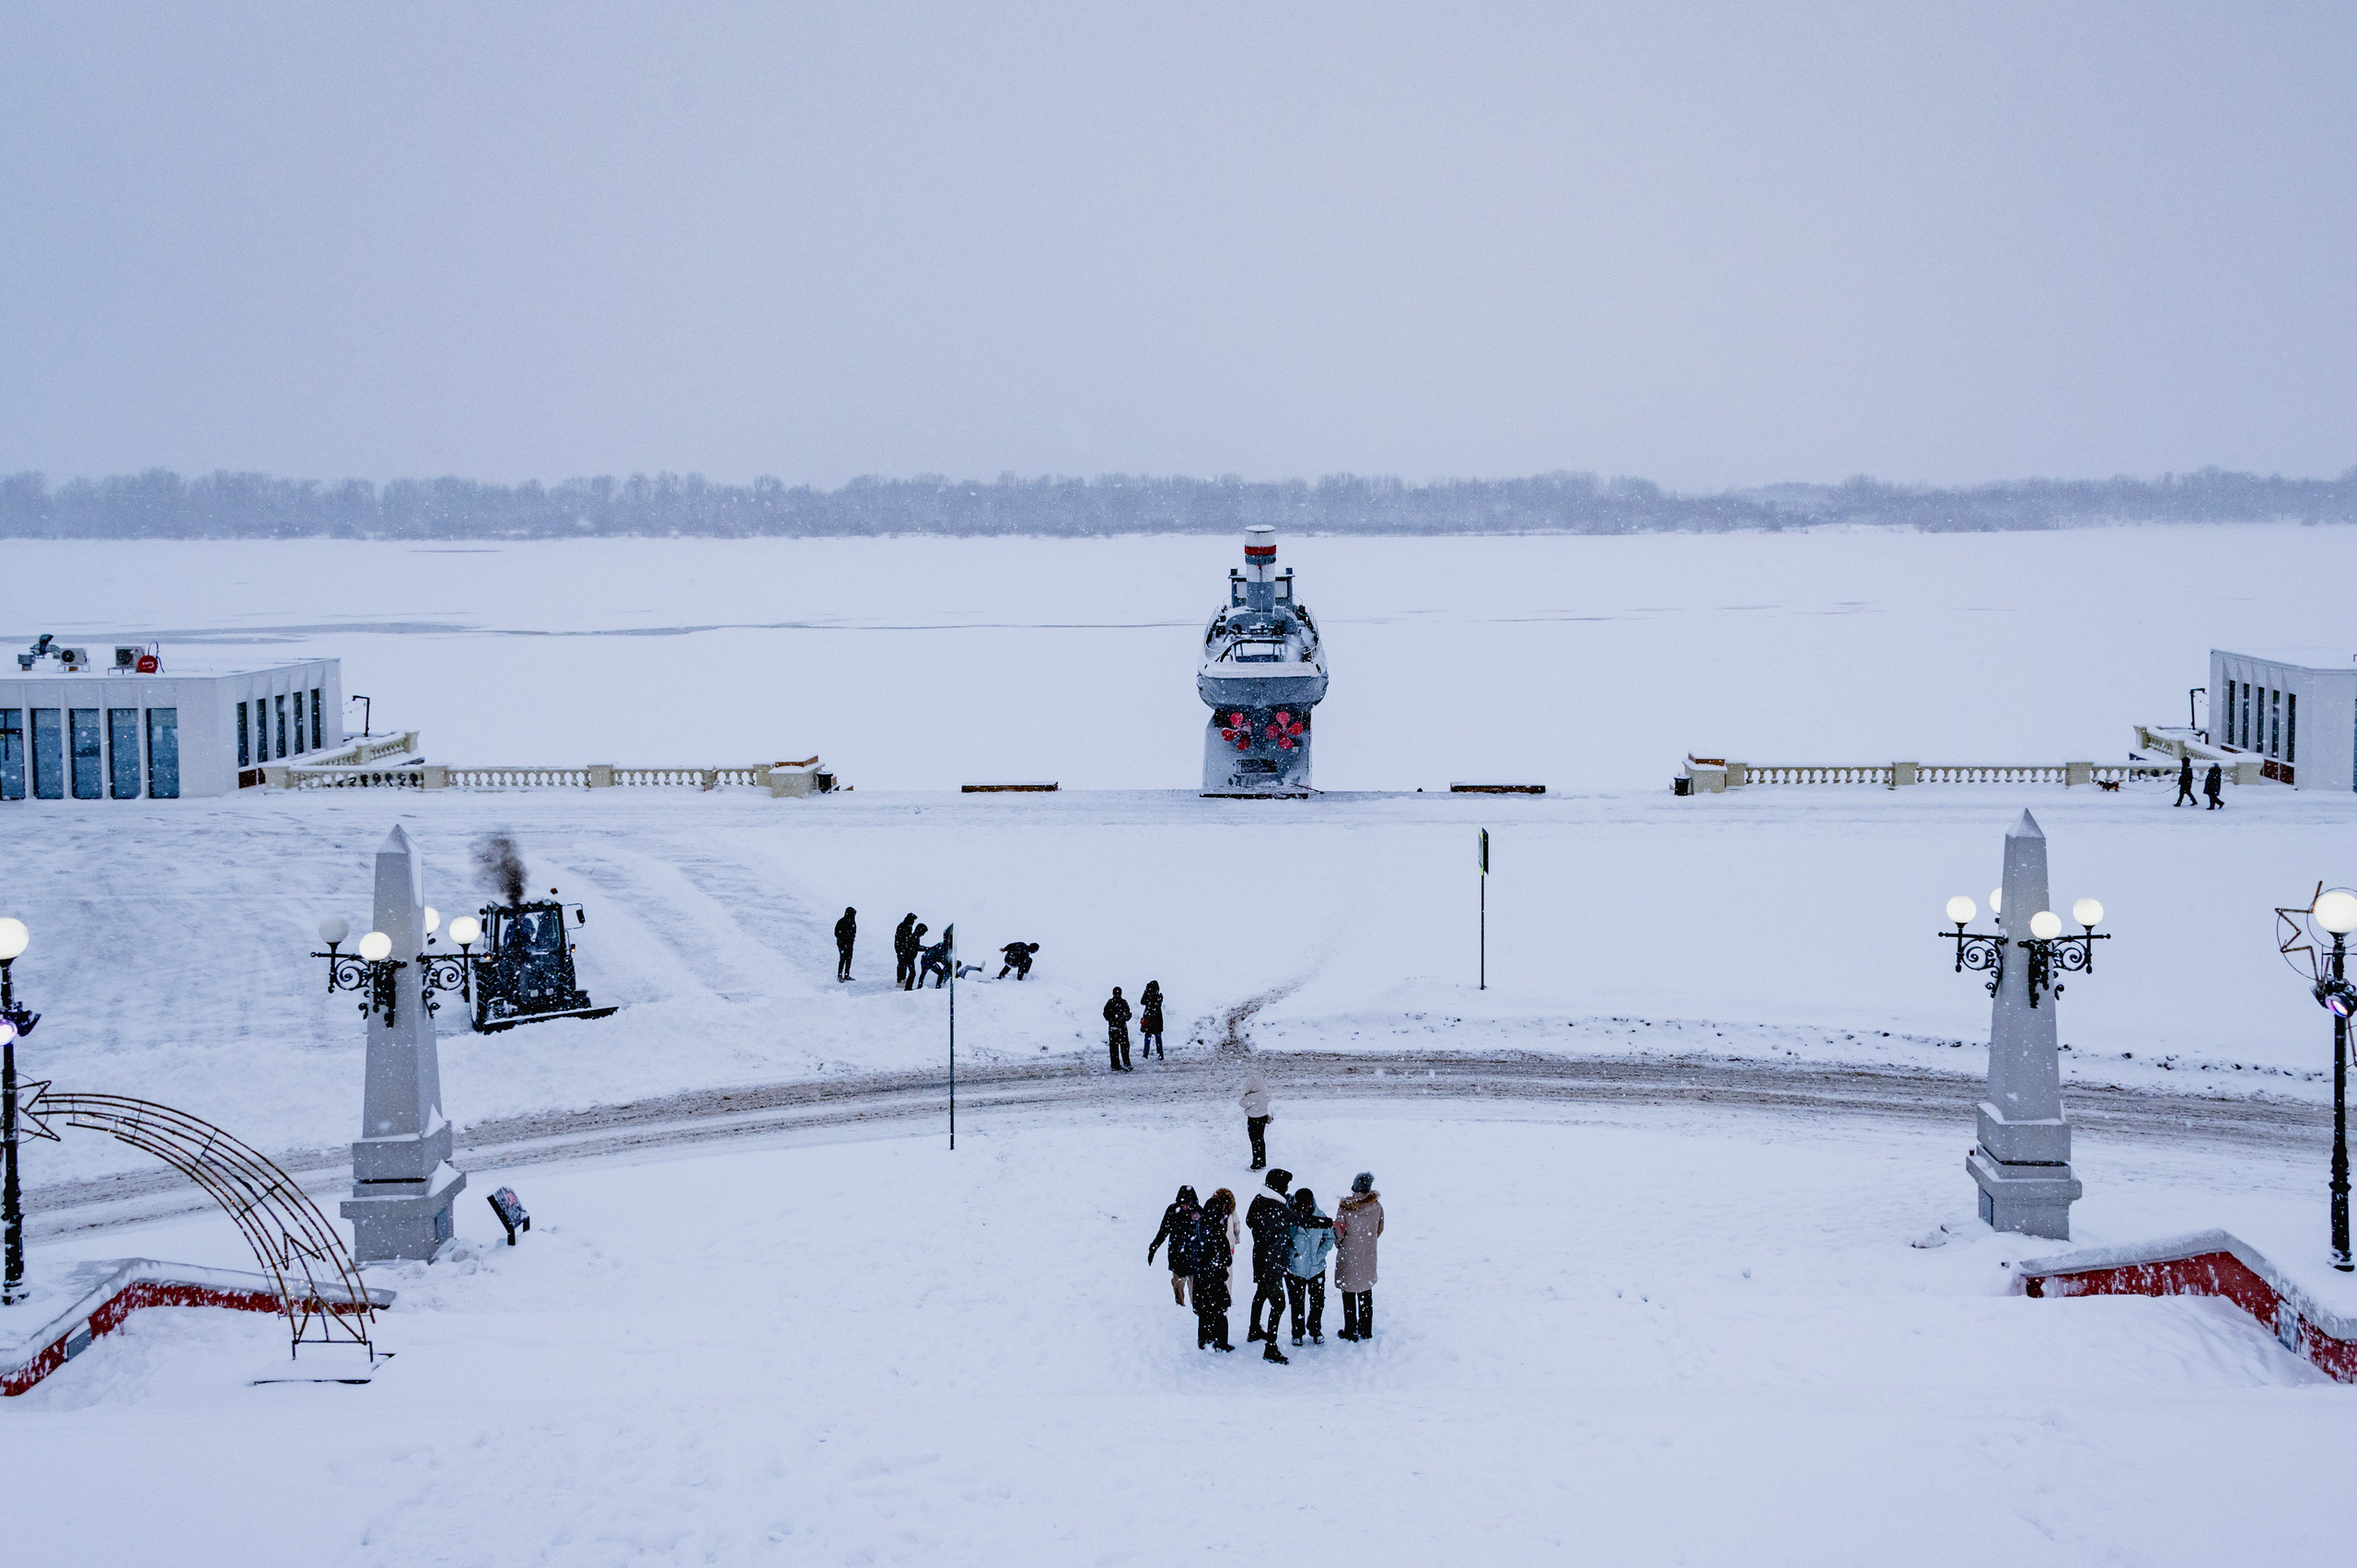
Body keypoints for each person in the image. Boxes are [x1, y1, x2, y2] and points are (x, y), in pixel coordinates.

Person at [1245, 1169, 1295, 1361]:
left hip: (1262, 1258)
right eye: (1285, 1186)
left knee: (1261, 1293)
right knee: (1279, 1303)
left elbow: (1250, 1220)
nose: (1287, 1189)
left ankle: (1254, 1329)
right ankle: (1270, 1347)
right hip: (1271, 1261)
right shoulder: (1274, 1207)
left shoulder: (1260, 1199)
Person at [1334, 1171, 1383, 1342]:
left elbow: (1339, 1232)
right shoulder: (1376, 1206)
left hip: (1349, 1255)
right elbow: (1379, 1229)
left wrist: (1341, 1243)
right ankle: (1365, 1328)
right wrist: (1368, 1241)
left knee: (1348, 1294)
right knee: (1365, 1292)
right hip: (1367, 1254)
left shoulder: (1346, 1207)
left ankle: (1351, 1330)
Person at [1284, 1186, 1334, 1346]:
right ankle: (1297, 1333)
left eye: (1309, 1203)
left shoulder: (1320, 1217)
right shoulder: (1290, 1218)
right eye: (1304, 1204)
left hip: (1316, 1268)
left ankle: (1315, 1328)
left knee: (1317, 1301)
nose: (1308, 1206)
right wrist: (1293, 1255)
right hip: (1296, 1269)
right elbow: (1284, 1240)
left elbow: (1329, 1238)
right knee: (1297, 1302)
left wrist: (1319, 1255)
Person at [1193, 1190, 1237, 1351]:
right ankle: (1221, 1342)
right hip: (1216, 1278)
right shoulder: (1218, 1232)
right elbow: (1226, 1258)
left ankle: (1204, 1338)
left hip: (1201, 1277)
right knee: (1220, 1311)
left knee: (1204, 1312)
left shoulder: (1199, 1227)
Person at [1148, 1184, 1202, 1308]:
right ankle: (1179, 1308)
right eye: (1182, 1204)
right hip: (1177, 1255)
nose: (1184, 1206)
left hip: (1194, 1256)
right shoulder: (1173, 1211)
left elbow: (1205, 1234)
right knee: (1178, 1286)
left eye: (1187, 1204)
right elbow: (1164, 1230)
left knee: (1195, 1288)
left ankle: (1196, 1309)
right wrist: (1153, 1247)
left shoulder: (1198, 1212)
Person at [1239, 1073, 1271, 1170]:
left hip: (1253, 1119)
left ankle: (1256, 1164)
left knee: (1254, 1141)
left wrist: (1245, 1094)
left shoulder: (1253, 1096)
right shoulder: (1264, 1092)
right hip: (1262, 1117)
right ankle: (1262, 1161)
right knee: (1260, 1140)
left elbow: (1242, 1103)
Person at [1103, 987, 1133, 1071]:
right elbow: (1127, 1014)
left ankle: (1115, 1064)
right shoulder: (1123, 1002)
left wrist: (1112, 1019)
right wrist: (1124, 1017)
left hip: (1114, 1028)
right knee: (1124, 1047)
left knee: (1114, 1047)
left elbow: (1105, 1014)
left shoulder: (1111, 1002)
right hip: (1121, 1028)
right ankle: (1125, 1063)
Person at [1139, 981, 1166, 1060]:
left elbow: (1146, 1002)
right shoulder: (1155, 996)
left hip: (1152, 1018)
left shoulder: (1157, 996)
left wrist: (1147, 992)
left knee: (1151, 1037)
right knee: (1155, 1037)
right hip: (1155, 1018)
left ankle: (1148, 1053)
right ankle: (1158, 1053)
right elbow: (1142, 1001)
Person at [894, 915, 922, 990]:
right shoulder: (903, 926)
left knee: (903, 964)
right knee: (901, 964)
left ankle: (902, 979)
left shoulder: (908, 926)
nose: (913, 922)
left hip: (903, 949)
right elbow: (900, 939)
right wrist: (901, 949)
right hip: (901, 949)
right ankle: (900, 980)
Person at [834, 907, 857, 981]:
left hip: (849, 944)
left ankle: (846, 974)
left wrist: (851, 939)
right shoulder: (841, 922)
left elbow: (854, 932)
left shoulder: (852, 922)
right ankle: (840, 975)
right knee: (843, 958)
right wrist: (843, 940)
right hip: (842, 944)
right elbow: (837, 933)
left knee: (849, 958)